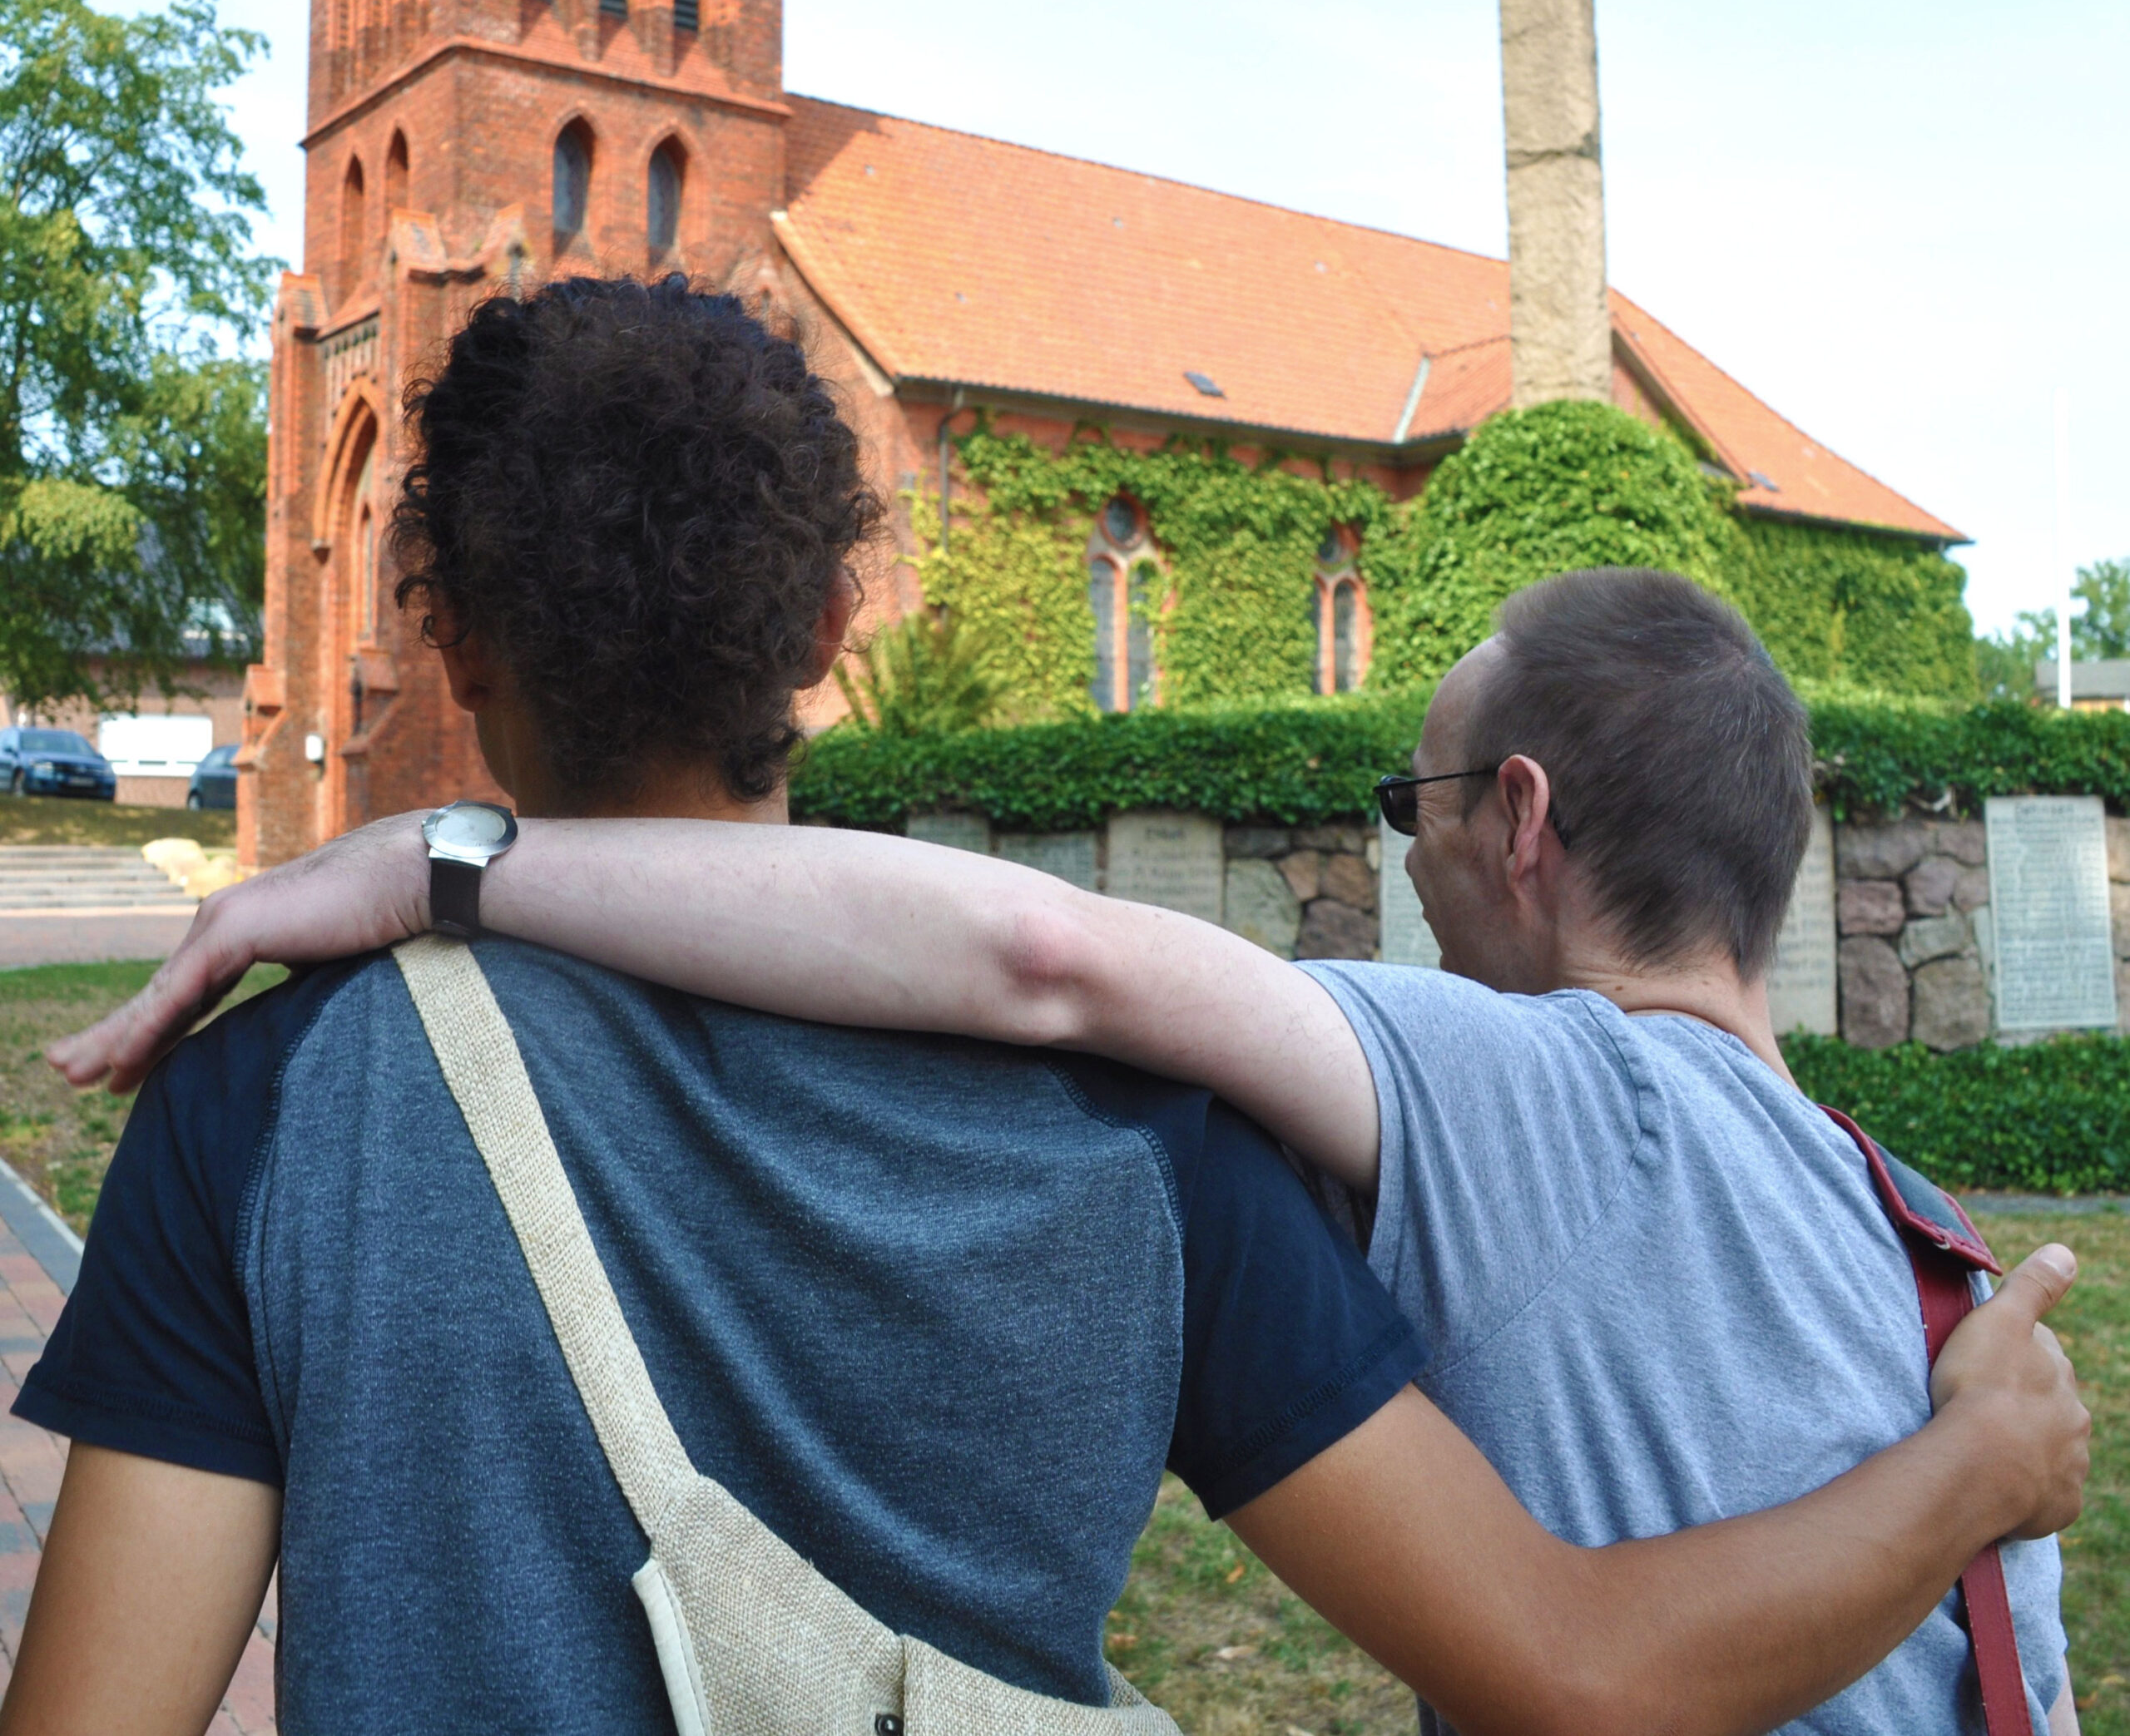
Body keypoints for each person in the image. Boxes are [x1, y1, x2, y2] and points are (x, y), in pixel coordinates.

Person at [34, 301, 2086, 1735]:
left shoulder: (265, 1106)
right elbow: (1560, 1653)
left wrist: (434, 869)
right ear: (831, 629)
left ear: (453, 637)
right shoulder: (1146, 1128)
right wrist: (1966, 1466)